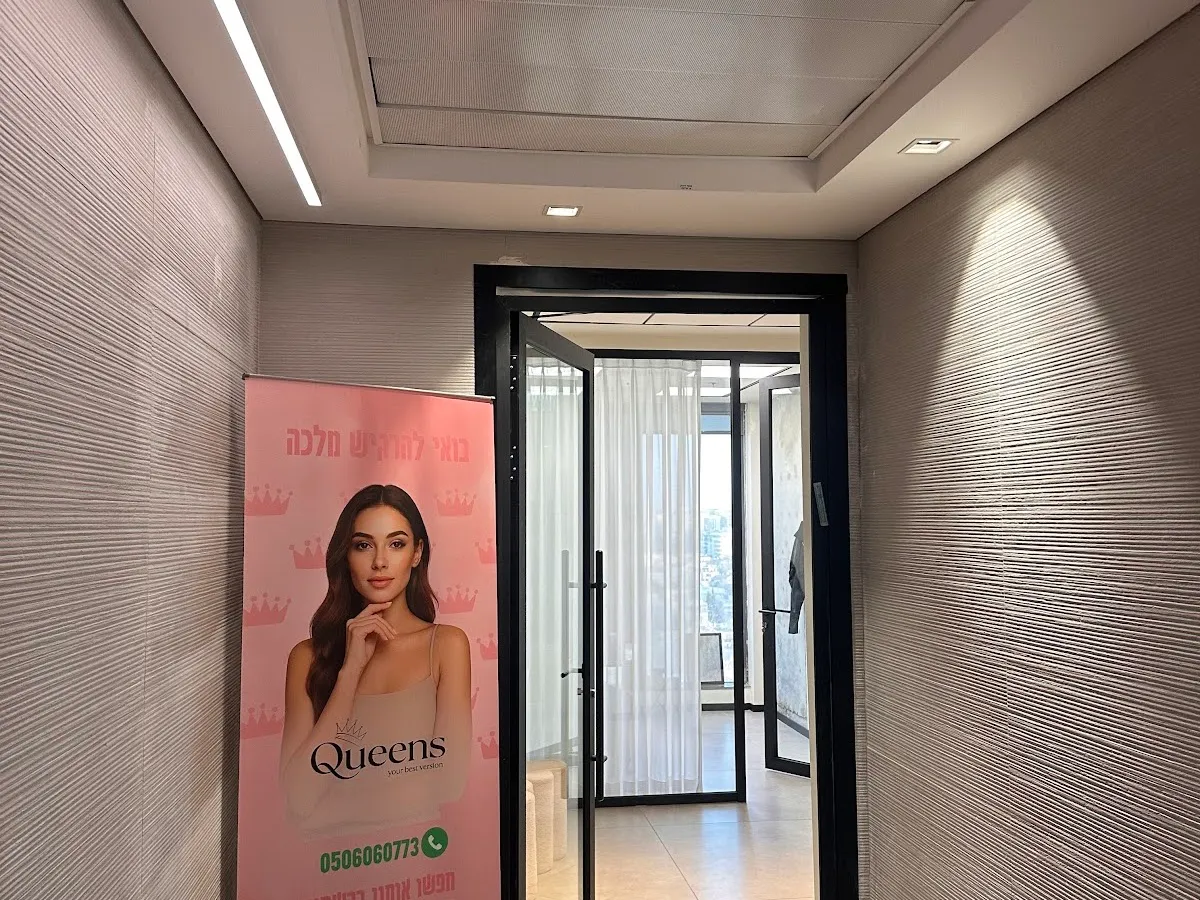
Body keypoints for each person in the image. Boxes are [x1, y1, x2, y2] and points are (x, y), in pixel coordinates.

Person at [279, 484, 472, 836]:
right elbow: (298, 797)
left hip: (419, 854)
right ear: (345, 555)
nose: (380, 561)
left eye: (396, 544)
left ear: (417, 553)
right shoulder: (306, 658)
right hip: (324, 861)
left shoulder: (447, 645)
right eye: (363, 545)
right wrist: (349, 673)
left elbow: (450, 783)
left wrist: (330, 810)